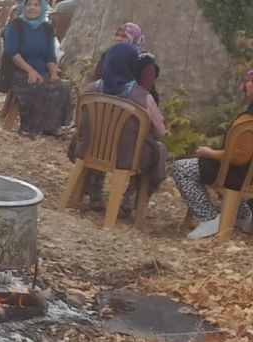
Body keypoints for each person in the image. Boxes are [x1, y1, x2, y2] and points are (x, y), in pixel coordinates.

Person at [68, 43, 168, 220]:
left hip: (89, 150)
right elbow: (160, 131)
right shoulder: (142, 97)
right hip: (127, 157)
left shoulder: (90, 90)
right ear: (132, 65)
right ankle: (128, 201)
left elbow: (78, 123)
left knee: (98, 139)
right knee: (156, 150)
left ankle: (94, 191)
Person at [171, 68, 253, 239]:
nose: (247, 85)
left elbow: (239, 157)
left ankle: (209, 218)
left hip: (238, 174)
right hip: (248, 177)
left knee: (182, 168)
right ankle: (244, 216)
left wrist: (211, 153)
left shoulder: (249, 121)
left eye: (250, 82)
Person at [2, 0, 72, 137]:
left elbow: (50, 55)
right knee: (36, 85)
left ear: (42, 8)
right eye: (29, 5)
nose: (32, 8)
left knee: (62, 86)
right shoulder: (16, 25)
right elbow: (12, 53)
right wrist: (30, 70)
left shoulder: (47, 28)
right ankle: (29, 127)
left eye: (36, 5)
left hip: (42, 71)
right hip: (19, 71)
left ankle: (53, 126)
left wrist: (53, 73)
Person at [91, 22, 159, 100]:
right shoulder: (109, 54)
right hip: (106, 101)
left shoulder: (145, 60)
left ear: (135, 37)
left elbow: (144, 90)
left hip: (134, 104)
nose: (119, 39)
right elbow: (96, 78)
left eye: (124, 36)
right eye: (118, 35)